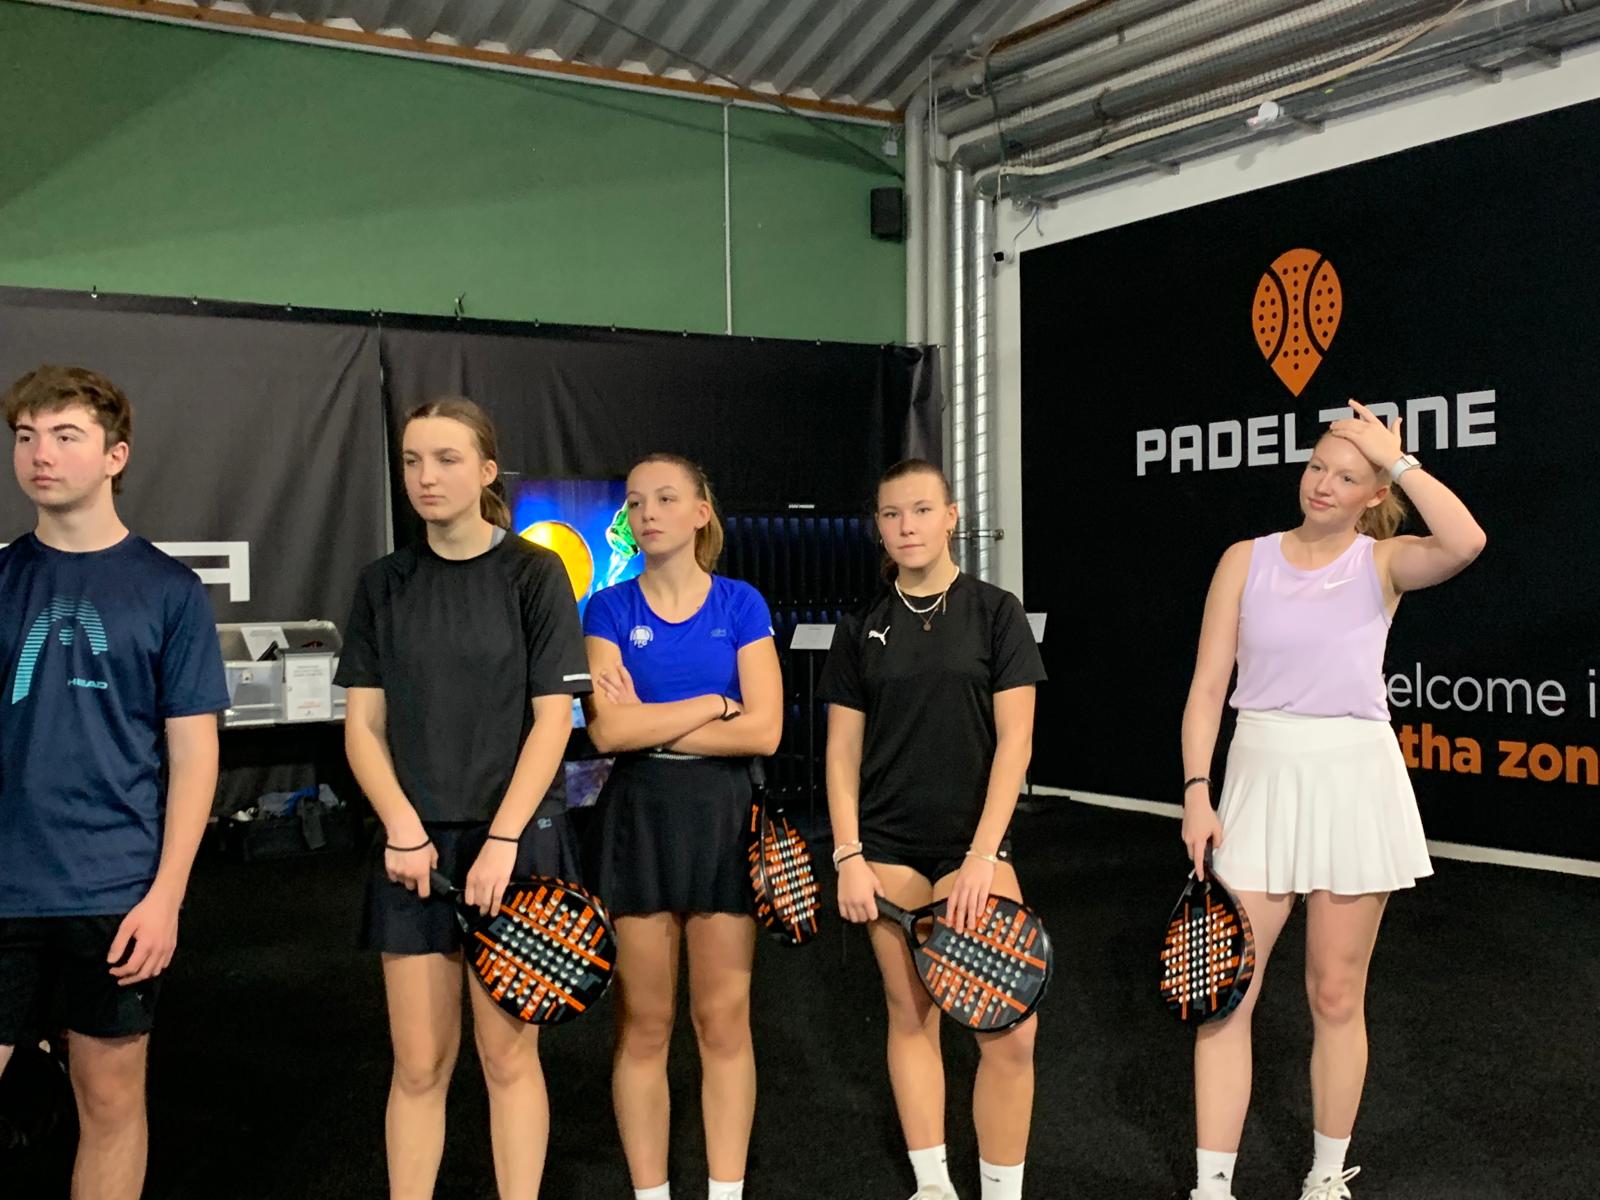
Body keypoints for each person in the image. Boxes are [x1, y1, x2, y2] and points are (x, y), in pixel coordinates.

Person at [1180, 401, 1486, 1200]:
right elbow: (1208, 689)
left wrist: (1402, 460)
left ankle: (1325, 1174)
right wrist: (1196, 791)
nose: (1323, 484)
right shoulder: (1244, 560)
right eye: (1318, 466)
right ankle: (1213, 1185)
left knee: (1336, 992)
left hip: (1354, 780)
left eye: (1347, 477)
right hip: (1259, 780)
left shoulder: (1384, 562)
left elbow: (1466, 542)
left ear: (1373, 495)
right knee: (1225, 995)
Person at [336, 397, 591, 1200]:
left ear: (485, 471)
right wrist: (402, 828)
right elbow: (362, 728)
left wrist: (505, 839)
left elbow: (552, 720)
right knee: (418, 1065)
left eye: (446, 459)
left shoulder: (533, 574)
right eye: (413, 460)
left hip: (515, 845)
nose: (426, 476)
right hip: (412, 850)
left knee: (508, 1056)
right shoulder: (383, 584)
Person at [0, 364, 228, 1200]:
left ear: (114, 455)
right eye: (26, 436)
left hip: (116, 892)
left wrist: (166, 896)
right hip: (6, 885)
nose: (40, 454)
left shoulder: (169, 591)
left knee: (110, 1102)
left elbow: (194, 755)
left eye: (65, 436)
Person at [819, 458, 1046, 1200]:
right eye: (891, 514)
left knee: (1007, 1029)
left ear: (951, 516)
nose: (906, 526)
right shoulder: (861, 627)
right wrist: (847, 853)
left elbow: (1016, 742)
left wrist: (984, 853)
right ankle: (933, 1185)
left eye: (921, 510)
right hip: (885, 847)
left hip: (972, 848)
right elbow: (841, 752)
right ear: (878, 527)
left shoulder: (996, 613)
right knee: (911, 1014)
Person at [580, 453, 782, 1200]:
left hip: (724, 820)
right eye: (635, 503)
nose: (647, 514)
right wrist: (713, 706)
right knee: (645, 1022)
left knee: (722, 1021)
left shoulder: (741, 604)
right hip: (639, 821)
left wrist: (655, 723)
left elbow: (764, 732)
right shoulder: (607, 610)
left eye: (665, 499)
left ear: (702, 513)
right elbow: (608, 733)